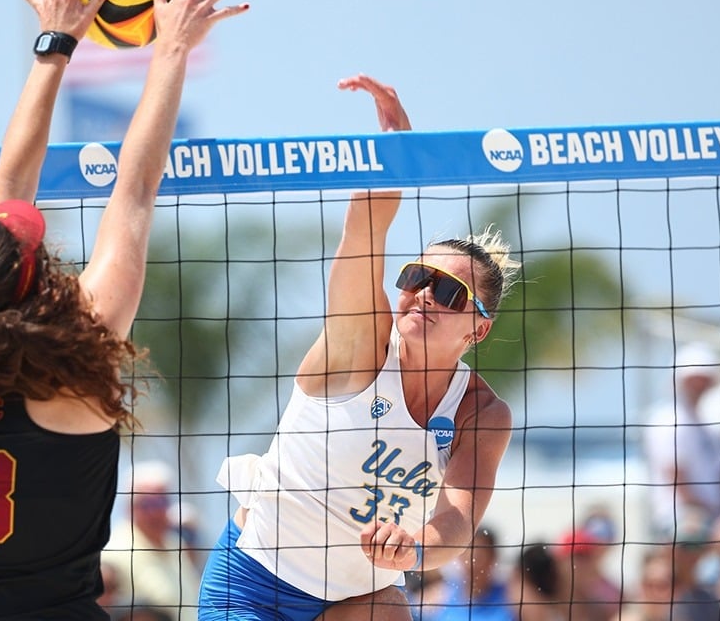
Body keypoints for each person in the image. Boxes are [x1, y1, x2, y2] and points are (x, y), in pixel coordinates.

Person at [0, 0, 246, 621]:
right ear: (28, 276)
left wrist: (55, 42)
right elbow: (134, 190)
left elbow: (12, 189)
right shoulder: (79, 360)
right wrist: (169, 48)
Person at [198, 75, 518, 620]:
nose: (422, 294)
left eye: (447, 290)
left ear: (477, 329)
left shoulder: (481, 413)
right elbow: (362, 237)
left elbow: (458, 520)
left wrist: (414, 546)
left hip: (353, 600)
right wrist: (393, 157)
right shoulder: (363, 348)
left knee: (391, 614)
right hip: (255, 582)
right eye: (417, 276)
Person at [641, 344, 720, 539]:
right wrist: (711, 514)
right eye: (693, 379)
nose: (699, 384)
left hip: (708, 517)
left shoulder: (704, 422)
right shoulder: (668, 419)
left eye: (703, 378)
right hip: (680, 518)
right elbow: (675, 477)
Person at [102, 461, 201, 620]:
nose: (155, 512)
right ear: (129, 507)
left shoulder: (175, 543)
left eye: (161, 502)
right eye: (146, 504)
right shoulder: (114, 550)